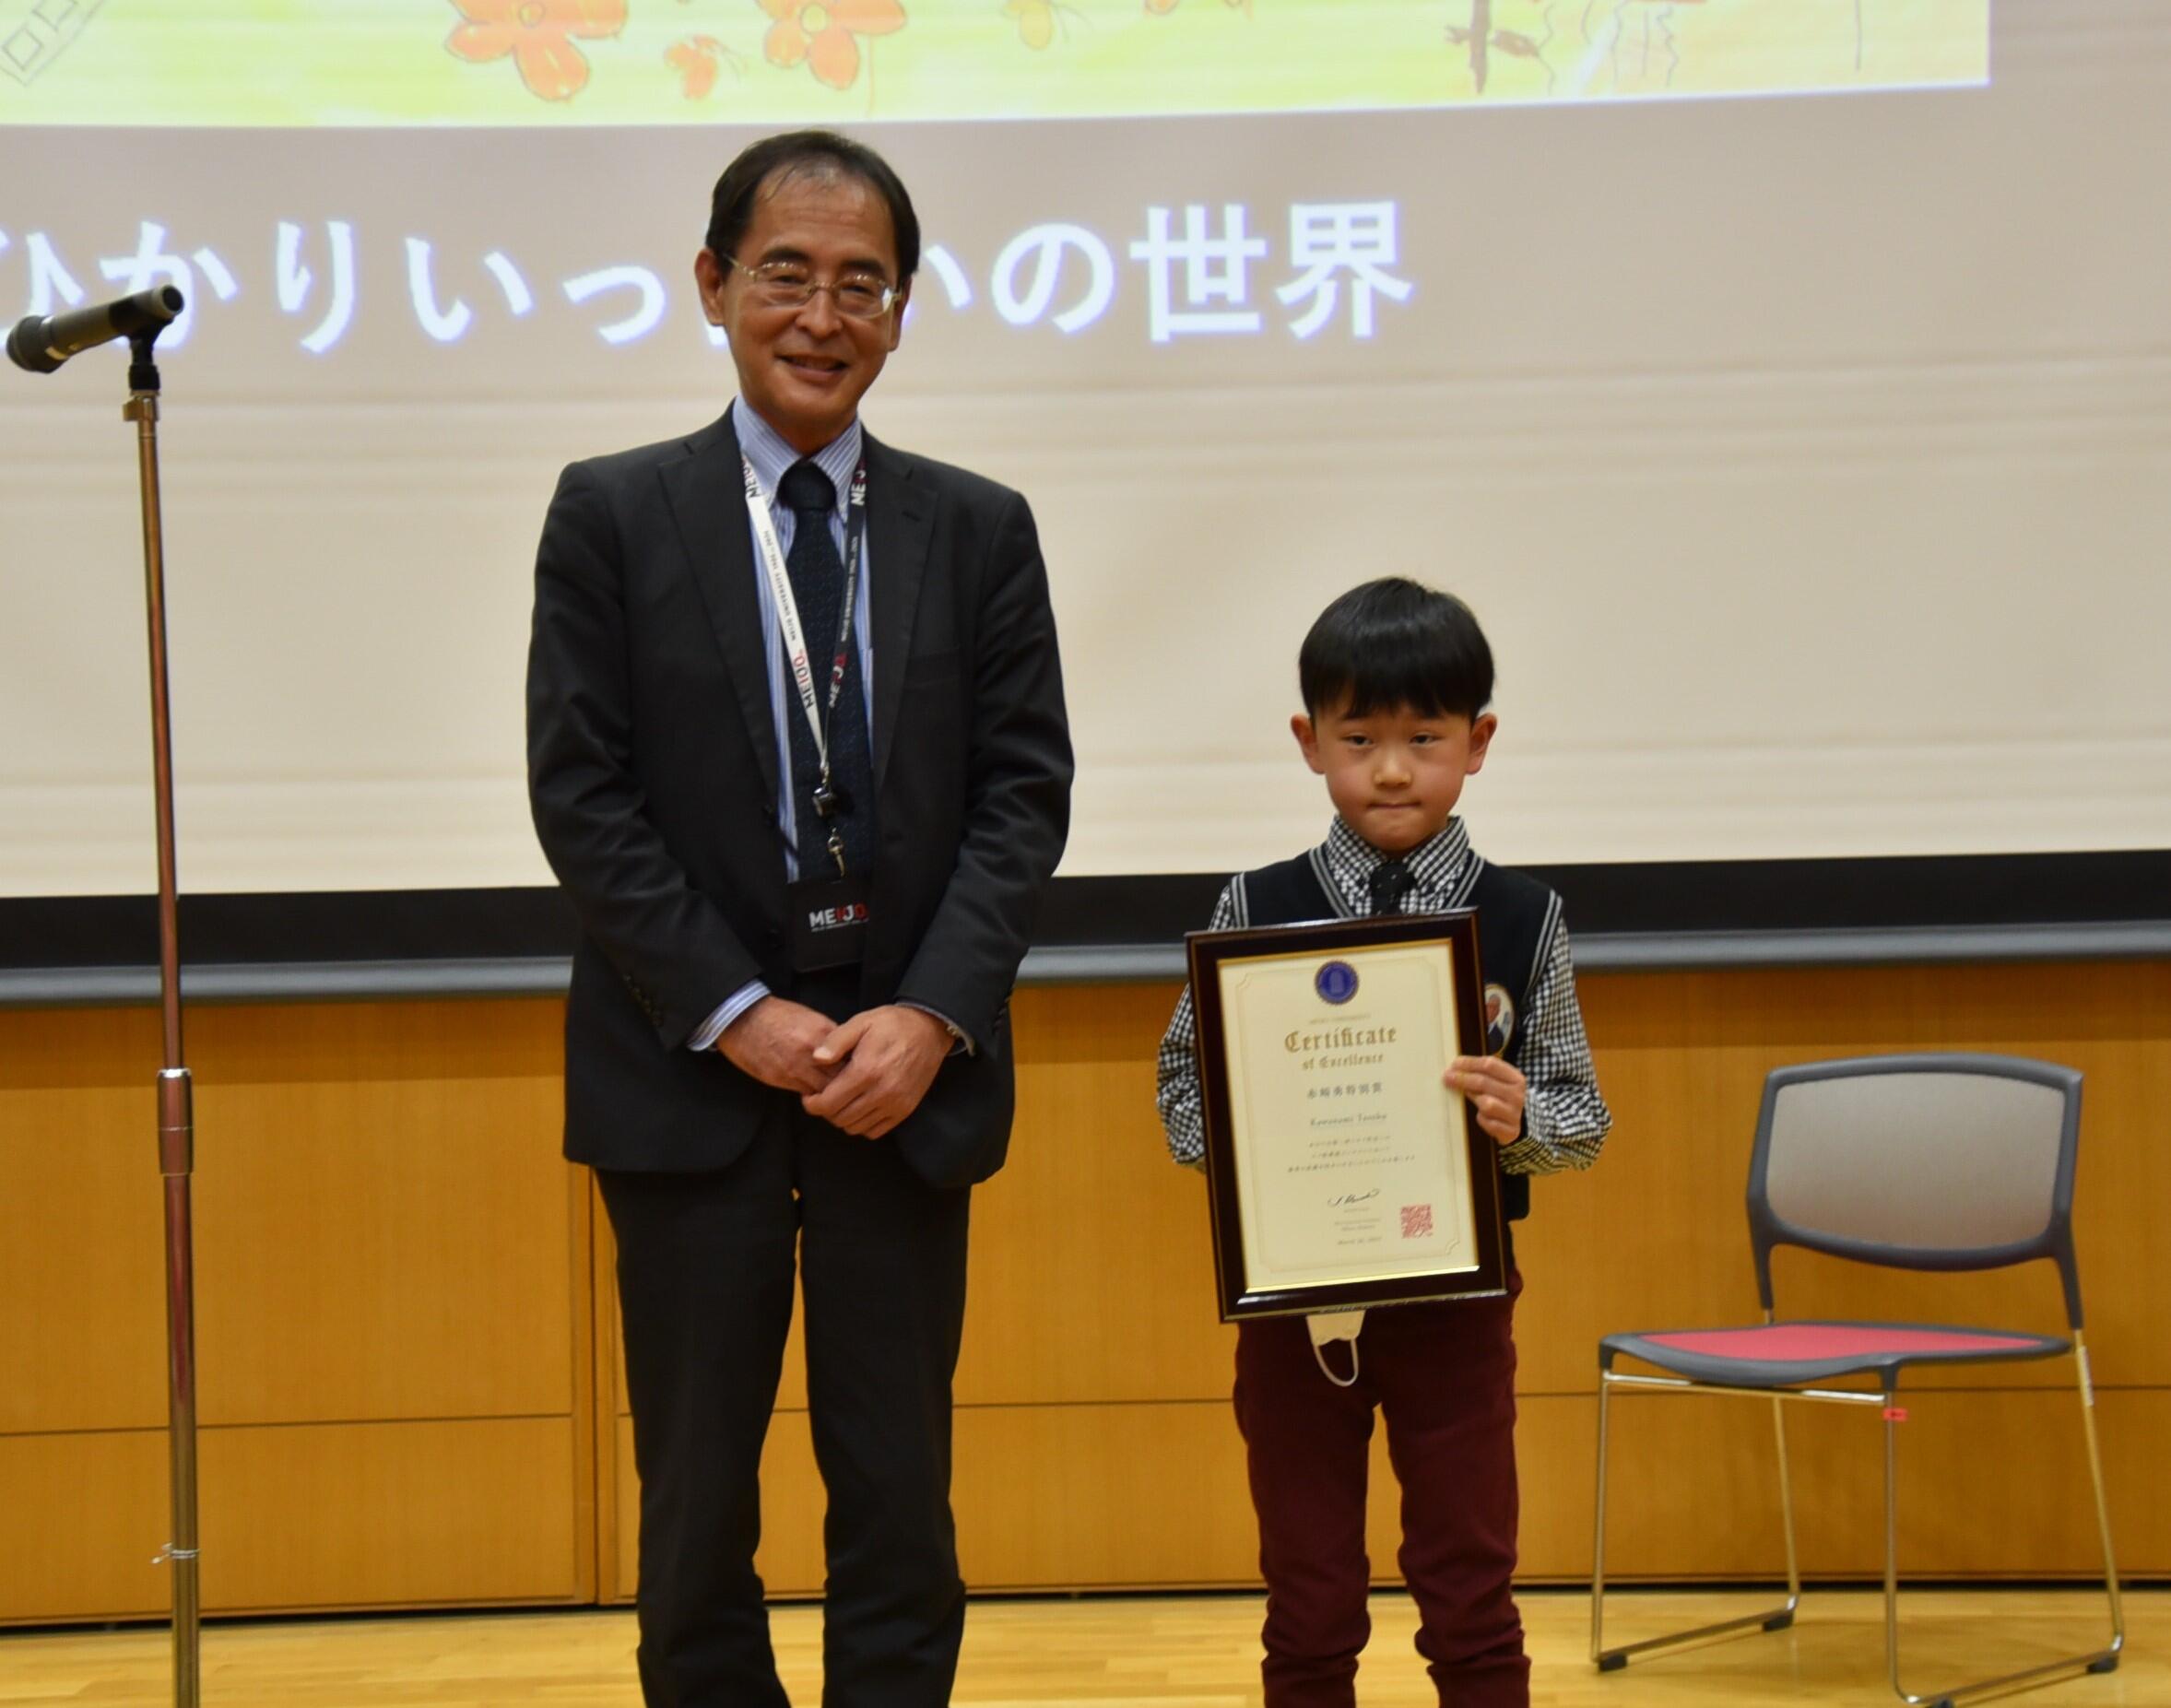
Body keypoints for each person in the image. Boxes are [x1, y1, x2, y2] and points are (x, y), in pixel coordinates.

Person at [526, 129, 1072, 1707]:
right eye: (785, 274)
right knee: (696, 1488)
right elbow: (586, 796)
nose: (822, 314)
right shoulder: (614, 516)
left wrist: (935, 1012)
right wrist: (736, 1010)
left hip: (904, 1070)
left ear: (902, 311)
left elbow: (1023, 794)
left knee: (898, 1480)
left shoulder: (975, 527)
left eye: (863, 282)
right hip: (692, 1067)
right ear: (712, 286)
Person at [1155, 578, 1611, 1708]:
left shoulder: (1525, 916)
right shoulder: (1255, 906)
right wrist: (1247, 1125)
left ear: (1479, 742)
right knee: (1308, 1591)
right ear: (1310, 742)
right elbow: (1177, 1089)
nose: (1394, 768)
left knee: (1470, 1584)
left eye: (1425, 737)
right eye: (1360, 738)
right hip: (1293, 1304)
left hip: (1461, 1306)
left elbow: (1582, 1115)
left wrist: (1518, 1124)